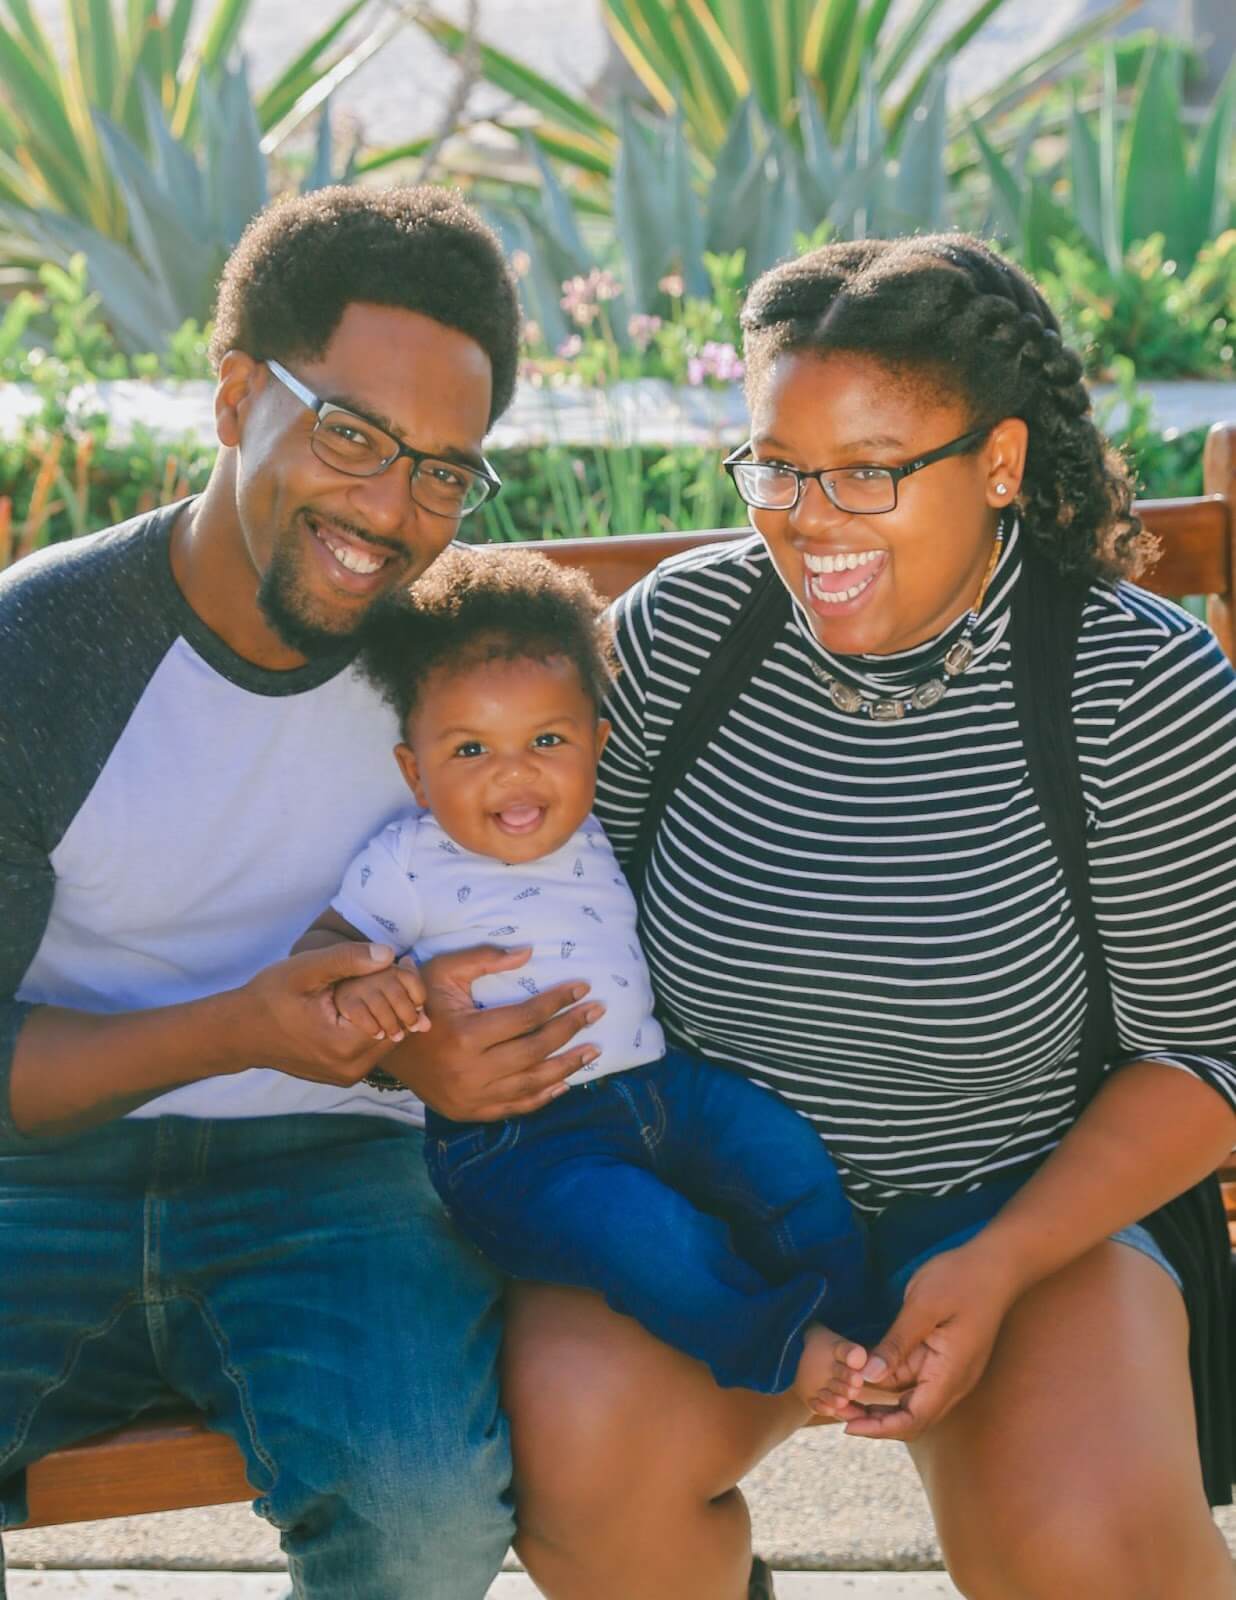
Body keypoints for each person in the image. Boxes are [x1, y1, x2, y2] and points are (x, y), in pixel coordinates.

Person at [500, 235, 1236, 1600]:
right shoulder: (687, 636)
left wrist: (1002, 1262)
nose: (806, 517)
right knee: (572, 1451)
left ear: (999, 463)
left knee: (1096, 1559)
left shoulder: (1134, 688)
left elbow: (1206, 1059)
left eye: (869, 471)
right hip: (716, 1210)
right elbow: (535, 892)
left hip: (1027, 1197)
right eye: (778, 466)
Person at [0, 185, 602, 1600]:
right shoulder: (42, 653)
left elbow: (559, 922)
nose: (393, 512)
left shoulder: (460, 673)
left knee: (424, 1523)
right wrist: (237, 1029)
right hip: (37, 1181)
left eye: (446, 471)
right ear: (232, 398)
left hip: (343, 1186)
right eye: (353, 435)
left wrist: (436, 1063)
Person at [295, 545, 879, 1401]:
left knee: (779, 1152)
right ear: (414, 773)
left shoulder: (596, 826)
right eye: (469, 751)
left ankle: (859, 1323)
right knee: (648, 1236)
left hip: (658, 1089)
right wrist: (370, 987)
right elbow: (318, 952)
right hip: (519, 1145)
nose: (515, 771)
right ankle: (779, 1347)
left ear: (595, 747)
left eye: (546, 740)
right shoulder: (407, 864)